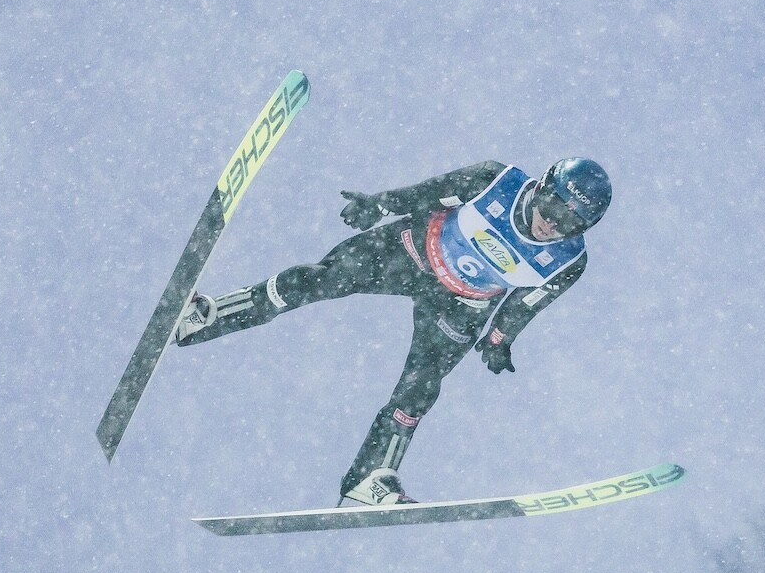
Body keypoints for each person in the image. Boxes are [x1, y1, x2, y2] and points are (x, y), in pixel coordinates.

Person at [174, 157, 613, 506]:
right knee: (318, 280)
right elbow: (428, 192)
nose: (552, 225)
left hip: (461, 305)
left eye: (570, 223)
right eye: (553, 209)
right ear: (541, 187)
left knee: (421, 389)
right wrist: (379, 204)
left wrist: (500, 339)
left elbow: (526, 303)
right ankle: (209, 316)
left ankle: (369, 479)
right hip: (412, 252)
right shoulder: (495, 181)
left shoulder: (569, 261)